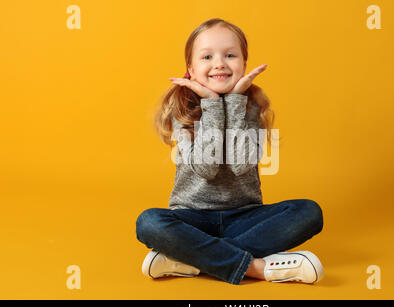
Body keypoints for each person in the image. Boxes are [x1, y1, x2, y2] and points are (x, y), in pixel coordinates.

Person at [135, 18, 324, 285]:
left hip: (245, 216)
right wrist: (212, 104)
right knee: (149, 222)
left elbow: (240, 165)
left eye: (230, 55)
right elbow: (206, 169)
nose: (220, 63)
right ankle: (258, 268)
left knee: (309, 212)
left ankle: (190, 257)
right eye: (207, 56)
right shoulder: (184, 111)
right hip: (192, 217)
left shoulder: (251, 107)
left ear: (244, 63)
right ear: (191, 68)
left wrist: (234, 104)